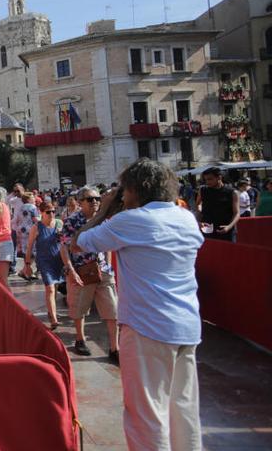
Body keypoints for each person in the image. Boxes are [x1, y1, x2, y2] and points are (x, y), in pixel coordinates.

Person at [74, 159, 203, 451]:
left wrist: (106, 208)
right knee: (184, 409)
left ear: (134, 189)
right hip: (186, 326)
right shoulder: (185, 218)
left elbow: (78, 242)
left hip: (147, 327)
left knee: (146, 414)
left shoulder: (131, 221)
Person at [59, 186, 119, 360]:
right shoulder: (72, 221)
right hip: (82, 270)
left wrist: (107, 264)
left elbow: (107, 244)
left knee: (112, 309)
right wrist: (70, 270)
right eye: (90, 199)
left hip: (103, 271)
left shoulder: (104, 221)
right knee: (80, 308)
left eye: (98, 199)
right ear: (80, 202)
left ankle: (115, 348)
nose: (95, 202)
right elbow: (63, 246)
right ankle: (80, 339)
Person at [22, 202, 64, 330]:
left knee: (55, 288)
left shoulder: (59, 224)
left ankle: (52, 311)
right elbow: (29, 247)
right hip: (44, 261)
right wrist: (27, 264)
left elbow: (64, 242)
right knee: (50, 288)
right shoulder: (36, 227)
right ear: (41, 213)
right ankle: (54, 319)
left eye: (53, 211)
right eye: (48, 212)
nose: (51, 214)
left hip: (58, 260)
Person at [196, 167, 239, 242]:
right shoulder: (203, 190)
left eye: (210, 179)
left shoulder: (232, 192)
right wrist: (199, 220)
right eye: (205, 180)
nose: (207, 182)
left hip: (226, 230)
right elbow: (198, 204)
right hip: (207, 230)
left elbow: (237, 213)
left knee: (228, 253)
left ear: (219, 177)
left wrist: (229, 227)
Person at [15, 192, 39, 258]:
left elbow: (17, 219)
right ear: (28, 199)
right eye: (33, 198)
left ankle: (26, 263)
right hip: (31, 228)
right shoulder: (33, 207)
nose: (34, 199)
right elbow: (35, 218)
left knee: (25, 246)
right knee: (32, 245)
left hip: (22, 228)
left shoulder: (21, 207)